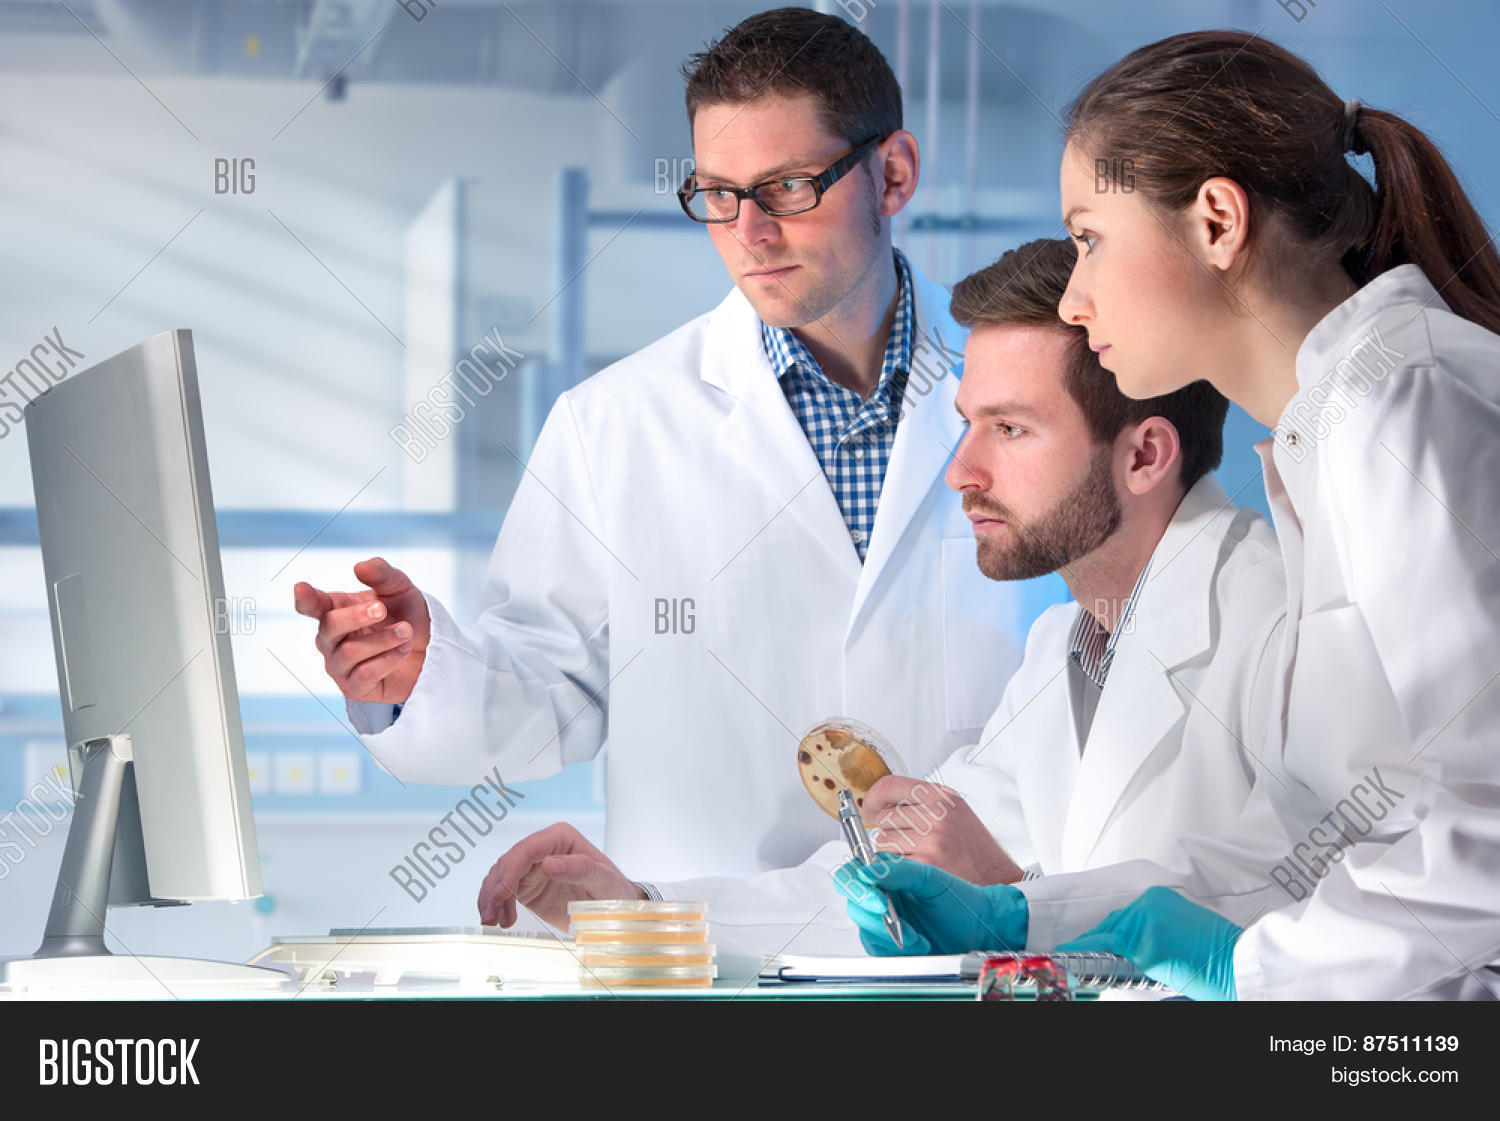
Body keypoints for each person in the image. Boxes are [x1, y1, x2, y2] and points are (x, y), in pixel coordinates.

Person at [840, 31, 1500, 1000]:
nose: (1075, 292)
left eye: (1089, 238)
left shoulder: (1409, 403)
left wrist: (1248, 967)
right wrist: (1035, 915)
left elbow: (1488, 818)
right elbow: (1309, 841)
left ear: (1217, 223)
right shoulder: (1330, 436)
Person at [291, 9, 1019, 885]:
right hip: (713, 960)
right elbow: (552, 685)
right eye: (718, 194)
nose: (749, 233)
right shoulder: (613, 427)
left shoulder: (1032, 391)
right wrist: (420, 674)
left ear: (892, 173)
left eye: (788, 187)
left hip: (989, 947)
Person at [476, 238, 1299, 958]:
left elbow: (1319, 930)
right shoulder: (1064, 650)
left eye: (1009, 430)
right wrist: (636, 911)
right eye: (967, 422)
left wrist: (1013, 905)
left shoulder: (1280, 622)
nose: (960, 471)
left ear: (1146, 454)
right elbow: (868, 885)